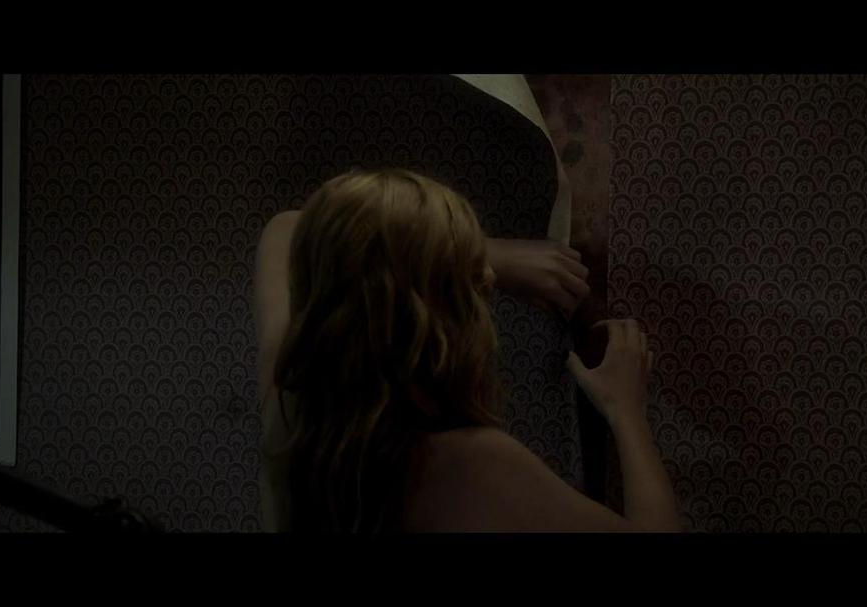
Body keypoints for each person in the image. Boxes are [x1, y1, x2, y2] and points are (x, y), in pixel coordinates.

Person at [254, 167, 681, 532]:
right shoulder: (464, 464)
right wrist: (627, 409)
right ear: (430, 319)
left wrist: (475, 252)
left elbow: (286, 228)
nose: (488, 279)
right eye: (468, 281)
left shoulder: (292, 410)